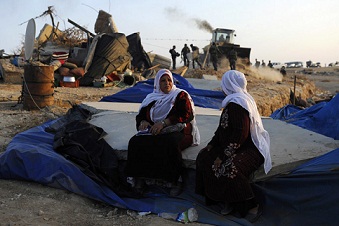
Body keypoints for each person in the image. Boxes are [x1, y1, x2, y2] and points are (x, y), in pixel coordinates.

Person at [195, 70, 272, 223]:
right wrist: (211, 145)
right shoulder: (234, 102)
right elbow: (222, 129)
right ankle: (223, 200)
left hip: (249, 148)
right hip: (233, 146)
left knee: (229, 167)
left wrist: (223, 155)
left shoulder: (238, 105)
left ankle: (250, 206)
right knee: (204, 157)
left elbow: (240, 135)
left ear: (228, 85)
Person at [125, 69, 200, 196]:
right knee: (135, 142)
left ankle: (175, 181)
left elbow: (187, 115)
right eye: (163, 80)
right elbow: (141, 116)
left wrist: (165, 122)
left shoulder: (180, 95)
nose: (167, 83)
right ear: (157, 83)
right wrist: (143, 122)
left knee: (168, 143)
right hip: (156, 131)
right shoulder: (151, 98)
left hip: (180, 131)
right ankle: (140, 178)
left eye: (169, 80)